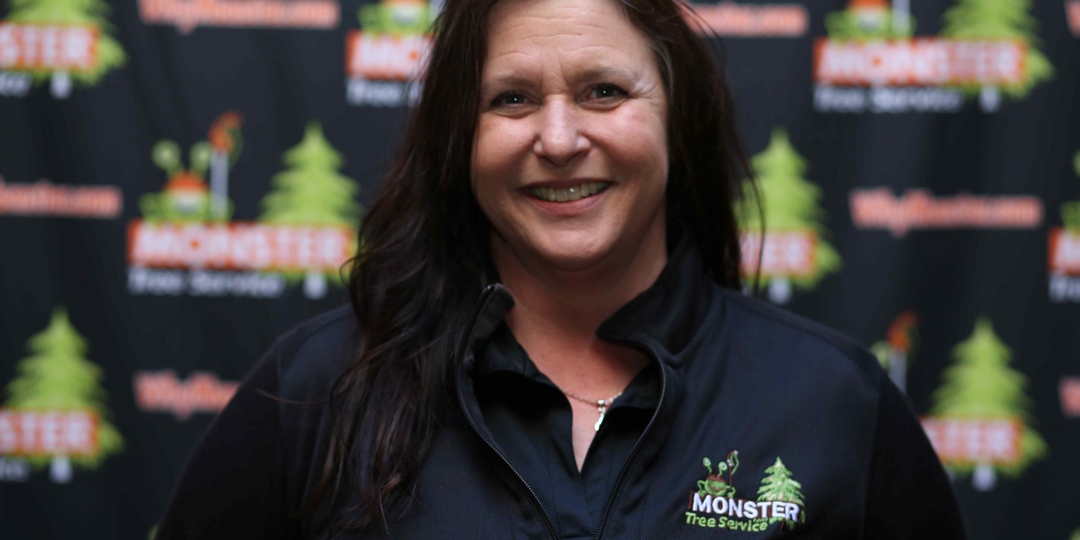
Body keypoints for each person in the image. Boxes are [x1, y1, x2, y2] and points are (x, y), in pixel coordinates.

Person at [157, 0, 965, 537]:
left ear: (675, 118)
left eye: (603, 91)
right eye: (511, 99)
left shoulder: (833, 404)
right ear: (460, 139)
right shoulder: (317, 390)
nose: (558, 138)